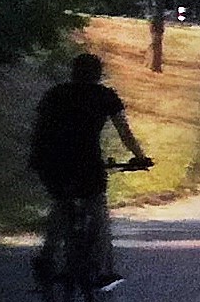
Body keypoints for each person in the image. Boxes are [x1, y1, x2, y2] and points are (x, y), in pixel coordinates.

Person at [28, 52, 151, 288]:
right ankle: (105, 269)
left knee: (61, 203)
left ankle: (47, 255)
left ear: (73, 71)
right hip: (86, 160)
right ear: (98, 74)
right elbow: (124, 133)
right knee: (97, 208)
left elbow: (39, 127)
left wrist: (37, 158)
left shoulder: (56, 93)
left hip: (50, 160)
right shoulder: (104, 96)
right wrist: (140, 157)